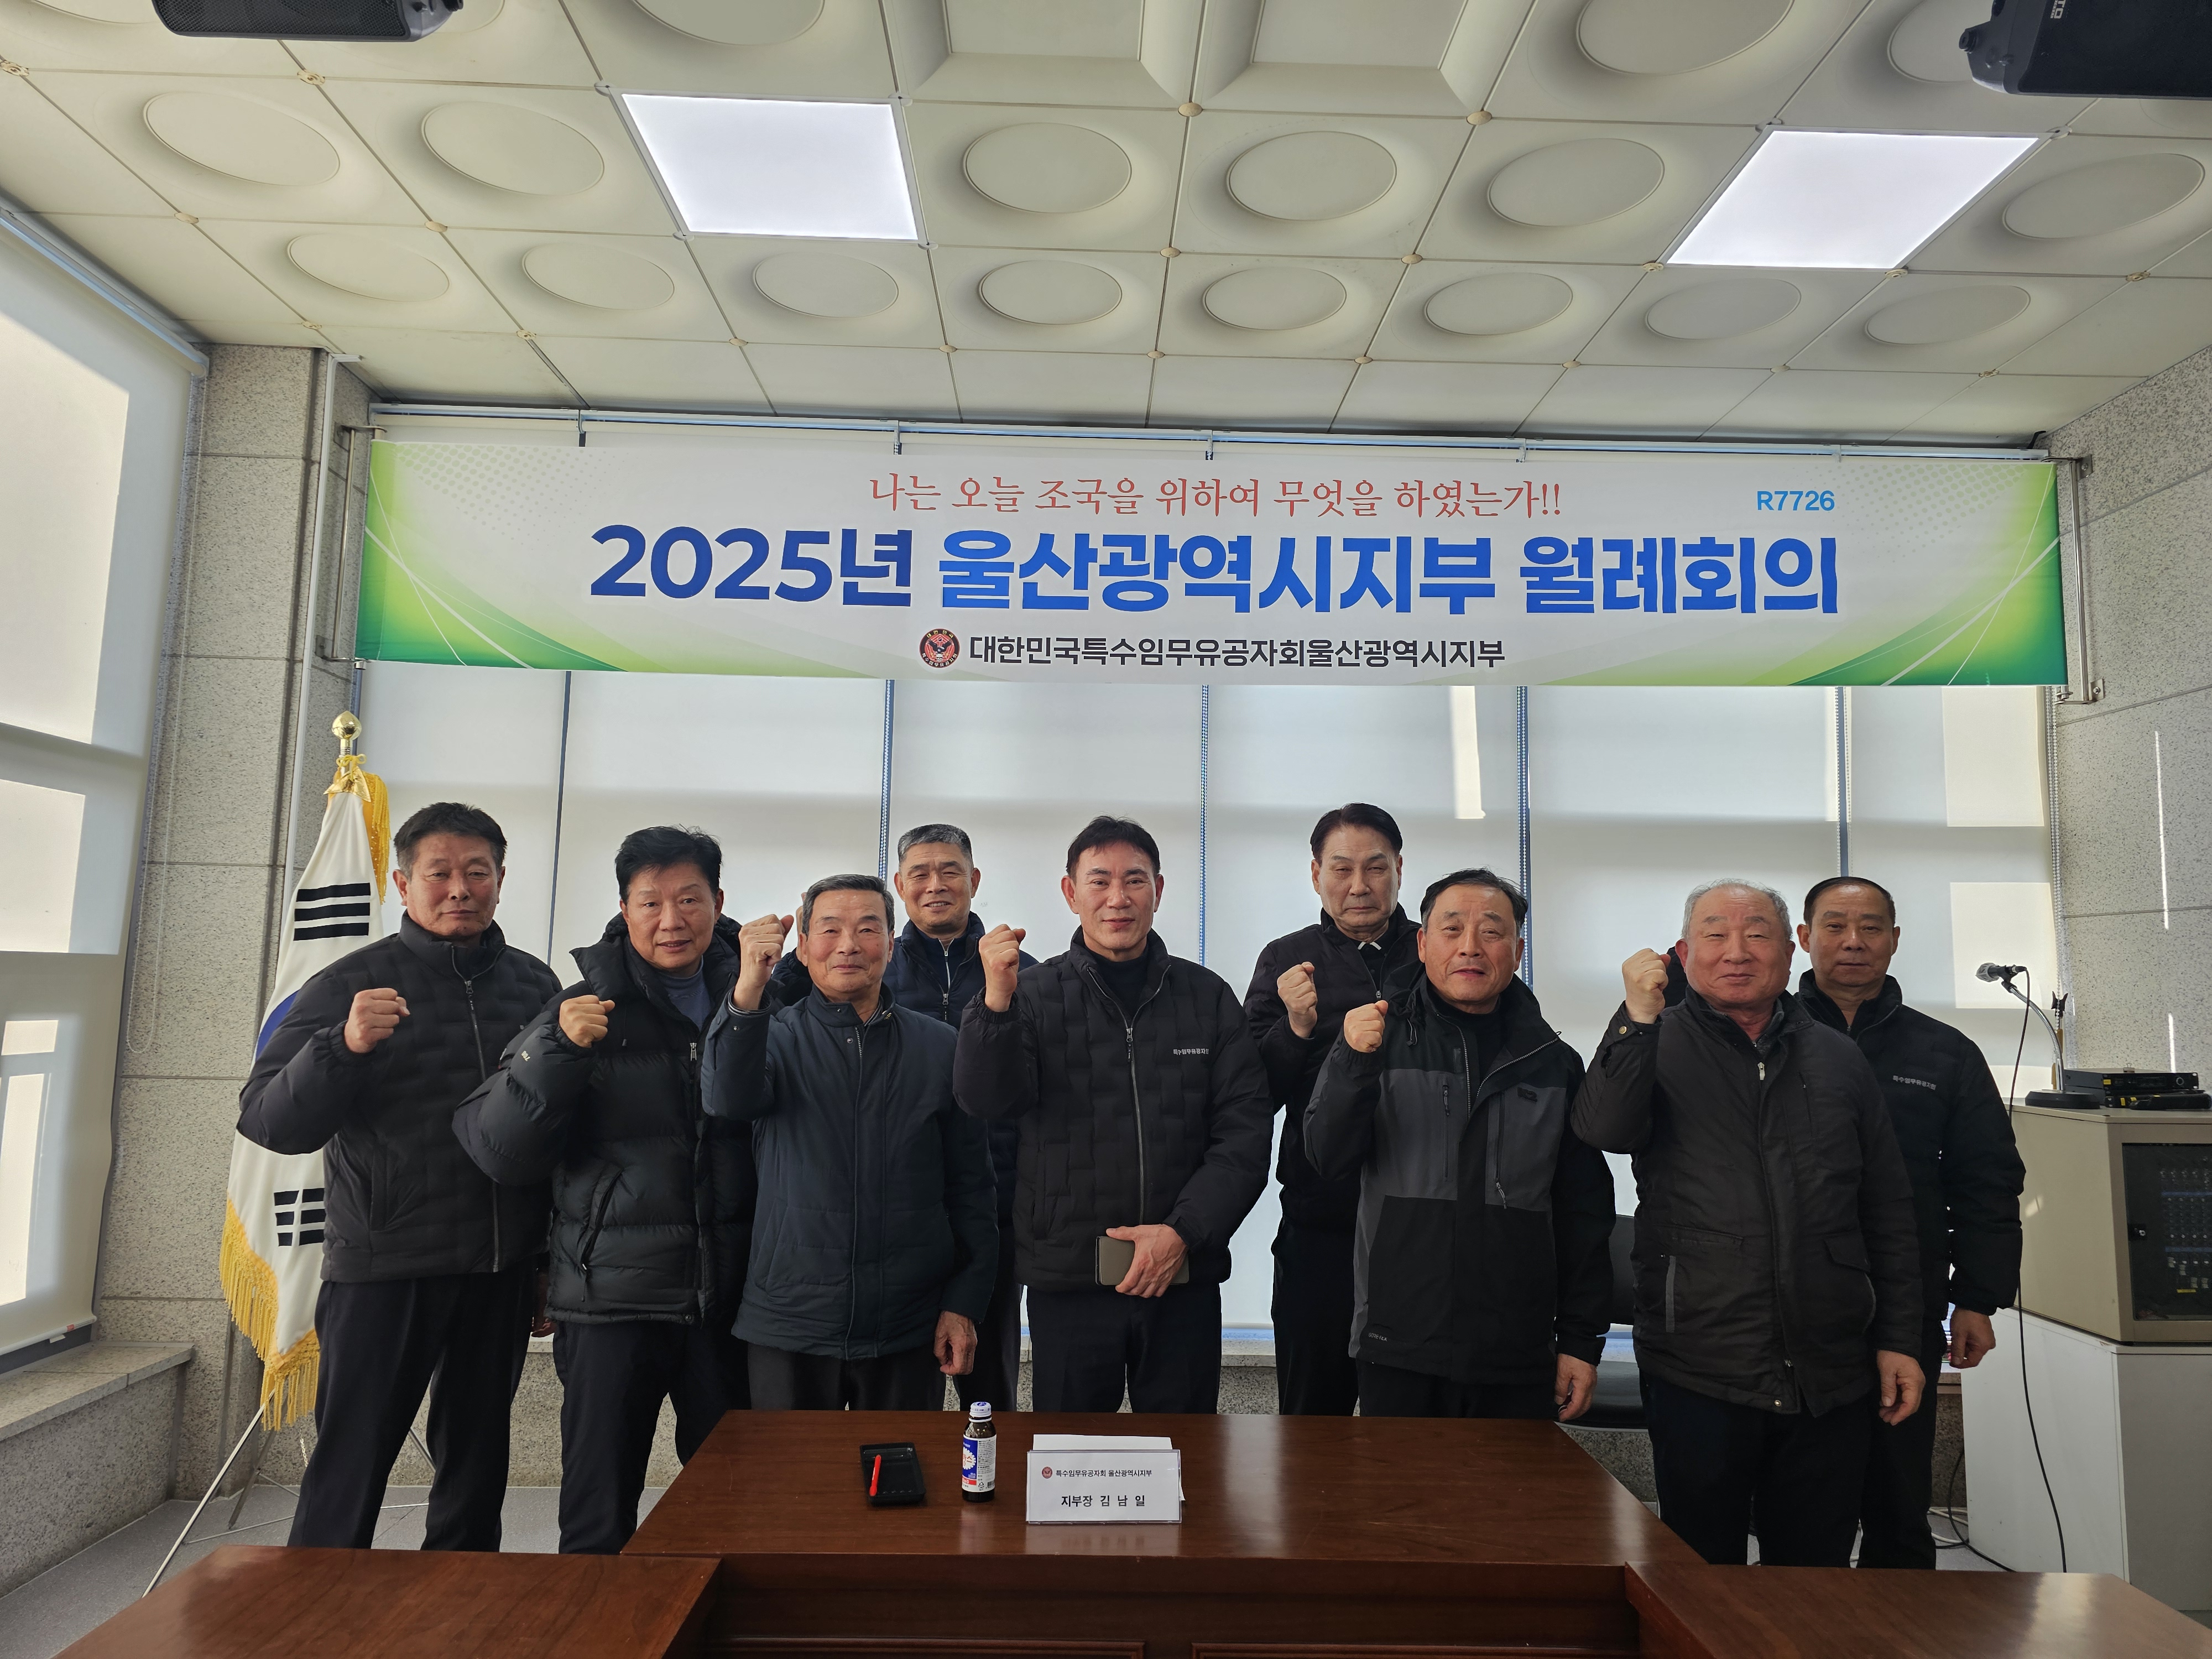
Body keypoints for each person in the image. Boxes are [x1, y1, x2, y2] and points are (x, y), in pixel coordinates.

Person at [1572, 879, 1923, 1568]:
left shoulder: (1837, 1057)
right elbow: (1603, 1129)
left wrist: (1899, 1338)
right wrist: (1636, 1018)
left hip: (1829, 1364)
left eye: (1757, 934)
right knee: (1699, 1572)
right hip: (1699, 1360)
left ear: (1789, 952)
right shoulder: (1655, 1042)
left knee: (1811, 1572)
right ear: (1682, 953)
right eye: (1715, 934)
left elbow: (1885, 1208)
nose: (1737, 952)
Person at [238, 802, 559, 1551]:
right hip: (386, 1268)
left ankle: (458, 1601)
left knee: (477, 1466)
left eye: (477, 872)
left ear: (501, 880)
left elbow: (549, 1133)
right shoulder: (350, 983)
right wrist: (343, 1046)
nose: (460, 889)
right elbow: (269, 1121)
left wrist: (545, 1260)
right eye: (440, 873)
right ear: (403, 883)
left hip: (499, 1270)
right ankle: (316, 1607)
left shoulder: (534, 985)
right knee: (351, 1466)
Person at [453, 826, 754, 1554]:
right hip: (610, 1300)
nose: (671, 920)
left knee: (733, 1509)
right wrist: (556, 1049)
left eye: (689, 900)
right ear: (624, 908)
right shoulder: (582, 1007)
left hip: (732, 1300)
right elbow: (500, 1150)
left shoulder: (757, 996)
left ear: (718, 902)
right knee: (597, 1514)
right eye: (650, 902)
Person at [954, 815, 1273, 1414]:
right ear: (1070, 893)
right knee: (1070, 1455)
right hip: (1068, 1279)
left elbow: (1244, 1135)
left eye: (1135, 880)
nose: (1117, 898)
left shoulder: (1207, 998)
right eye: (1099, 881)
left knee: (1186, 1453)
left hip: (1182, 1274)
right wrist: (995, 1003)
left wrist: (1182, 1233)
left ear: (1159, 889)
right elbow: (986, 1102)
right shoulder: (1029, 994)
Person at [1306, 869, 1614, 1420]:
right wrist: (1353, 1064)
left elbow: (1583, 1212)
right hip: (1398, 1342)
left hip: (1517, 1350)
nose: (1470, 946)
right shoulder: (1375, 1040)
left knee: (1509, 1482)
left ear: (1517, 951)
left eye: (1491, 931)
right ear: (1424, 945)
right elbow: (1326, 1158)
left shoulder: (1554, 1064)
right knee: (1397, 1481)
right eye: (1452, 929)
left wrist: (1580, 1341)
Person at [1795, 875, 2025, 1570]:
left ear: (1894, 940)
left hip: (1905, 1300)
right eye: (1834, 926)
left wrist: (1977, 1298)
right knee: (1802, 1505)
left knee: (1898, 1500)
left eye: (1870, 927)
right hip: (1791, 1303)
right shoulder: (1766, 1037)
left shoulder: (1943, 1052)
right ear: (1803, 938)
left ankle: (1900, 1623)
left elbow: (1986, 1179)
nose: (1853, 942)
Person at [704, 873, 998, 1411]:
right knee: (794, 1471)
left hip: (907, 1324)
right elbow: (725, 1098)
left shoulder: (940, 1047)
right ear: (803, 946)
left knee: (901, 1468)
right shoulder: (770, 1037)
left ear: (891, 944)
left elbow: (973, 1188)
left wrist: (964, 1304)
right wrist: (748, 989)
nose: (848, 946)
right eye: (829, 929)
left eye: (867, 929)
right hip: (789, 1322)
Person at [772, 824, 1036, 1411]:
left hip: (992, 1210)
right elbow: (784, 1018)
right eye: (920, 873)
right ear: (899, 884)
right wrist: (799, 947)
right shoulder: (871, 965)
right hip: (896, 1217)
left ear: (974, 880)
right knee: (901, 1396)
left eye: (950, 871)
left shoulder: (1016, 969)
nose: (935, 884)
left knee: (989, 1393)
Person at [1243, 803, 1422, 1415]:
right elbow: (1254, 1094)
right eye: (1342, 869)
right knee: (1310, 1417)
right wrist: (1296, 1026)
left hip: (1420, 1225)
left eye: (1376, 867)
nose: (1359, 886)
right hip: (1321, 1220)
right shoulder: (1285, 958)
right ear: (1316, 874)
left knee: (1413, 1421)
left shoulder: (1437, 951)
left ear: (1399, 869)